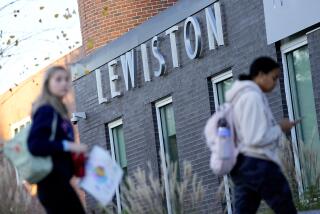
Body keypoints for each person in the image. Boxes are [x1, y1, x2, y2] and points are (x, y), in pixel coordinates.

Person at [226, 57, 297, 214]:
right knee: (285, 208)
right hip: (259, 163)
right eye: (274, 77)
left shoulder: (239, 97)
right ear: (260, 75)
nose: (275, 83)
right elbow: (255, 138)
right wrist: (280, 127)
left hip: (241, 165)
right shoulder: (252, 97)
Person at [27, 66, 87, 214]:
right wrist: (69, 146)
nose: (64, 83)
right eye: (58, 79)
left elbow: (59, 152)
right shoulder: (46, 110)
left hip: (61, 182)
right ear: (48, 84)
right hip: (51, 184)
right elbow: (35, 145)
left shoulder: (60, 111)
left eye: (66, 79)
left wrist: (80, 160)